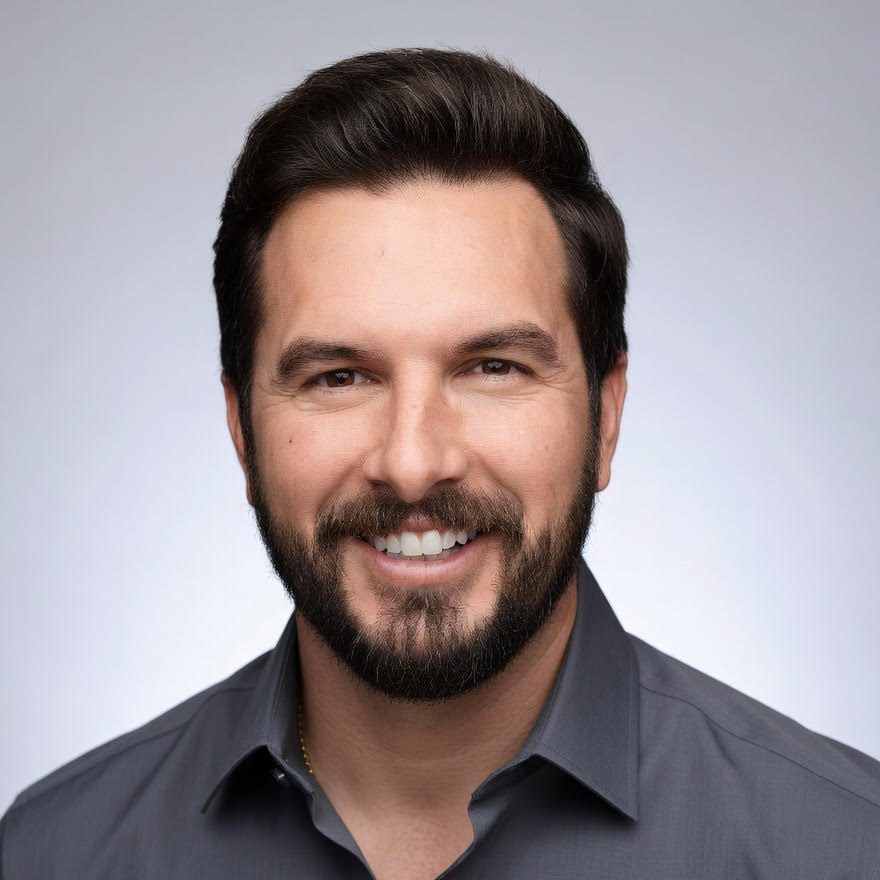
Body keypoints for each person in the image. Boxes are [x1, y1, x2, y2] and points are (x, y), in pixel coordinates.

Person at [2, 46, 878, 880]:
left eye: (493, 368)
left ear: (606, 416)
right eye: (339, 377)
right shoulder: (55, 854)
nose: (415, 464)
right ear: (242, 431)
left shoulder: (842, 848)